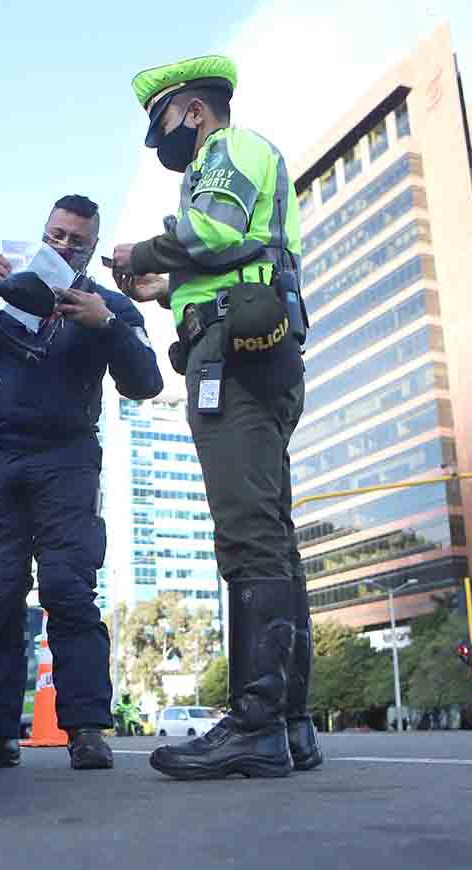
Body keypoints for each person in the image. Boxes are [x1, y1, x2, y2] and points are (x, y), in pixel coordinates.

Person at [109, 55, 322, 779]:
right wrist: (167, 286)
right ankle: (289, 722)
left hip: (232, 356)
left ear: (193, 111)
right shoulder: (250, 153)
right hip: (258, 346)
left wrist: (141, 250)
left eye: (163, 124)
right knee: (272, 531)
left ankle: (255, 725)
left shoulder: (226, 150)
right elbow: (234, 254)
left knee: (247, 532)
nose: (161, 142)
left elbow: (213, 230)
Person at [0, 194, 163, 772]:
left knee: (68, 590)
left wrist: (106, 325)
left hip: (66, 460)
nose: (62, 247)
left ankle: (86, 731)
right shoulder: (1, 291)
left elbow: (146, 382)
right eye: (56, 235)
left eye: (76, 242)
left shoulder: (105, 305)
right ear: (43, 232)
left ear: (90, 249)